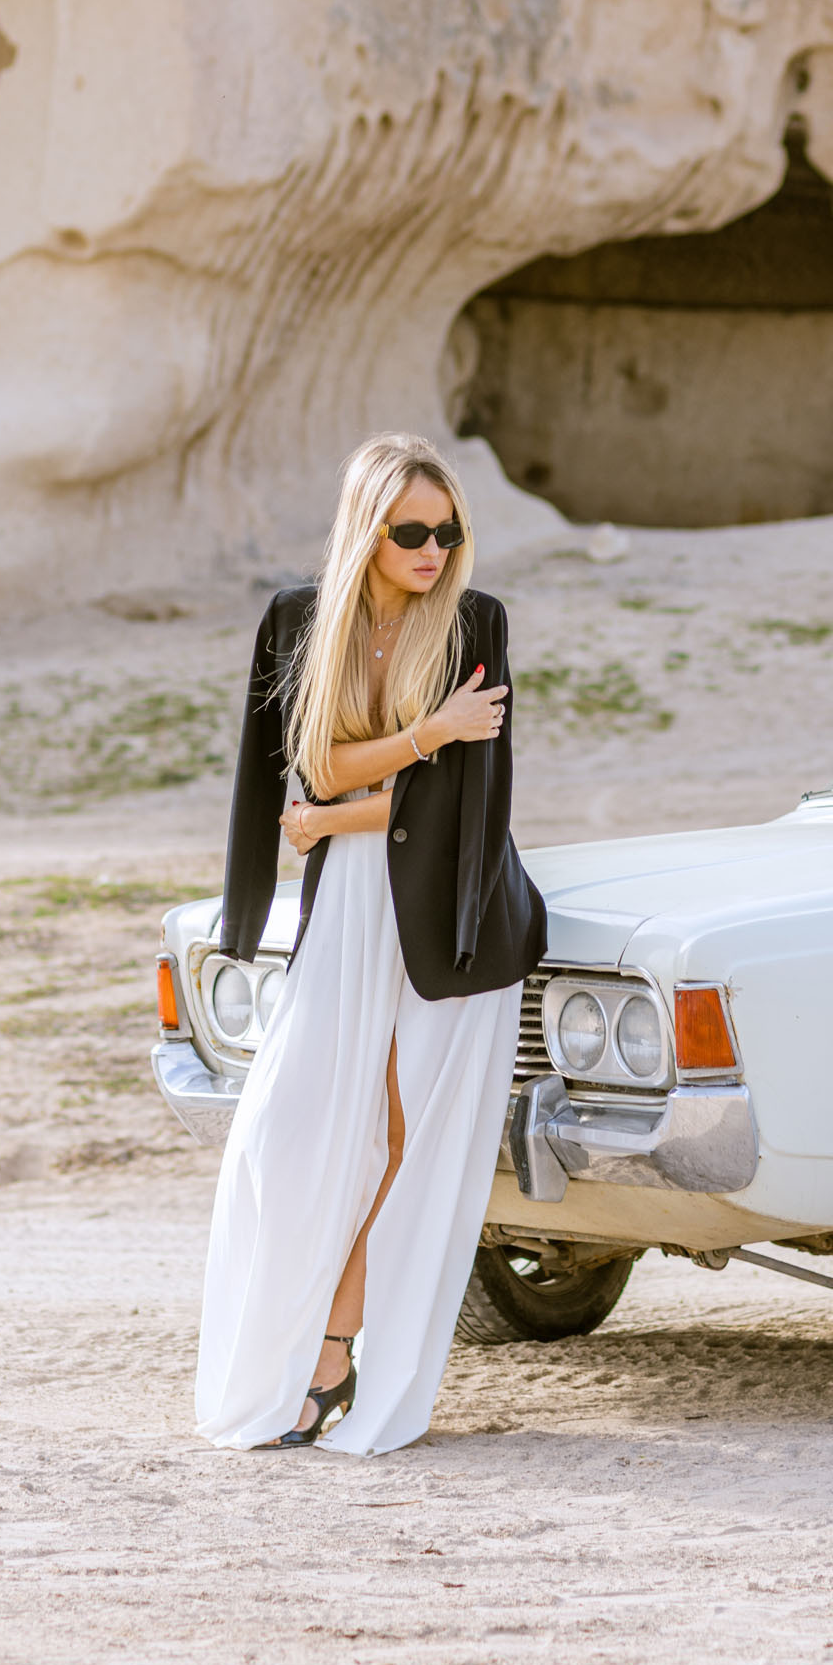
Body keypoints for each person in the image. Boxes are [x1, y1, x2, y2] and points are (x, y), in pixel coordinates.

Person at [194, 432, 547, 1453]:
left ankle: (335, 1355)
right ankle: (292, 1352)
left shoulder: (476, 623)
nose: (434, 552)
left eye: (449, 533)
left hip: (452, 919)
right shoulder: (299, 623)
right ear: (366, 531)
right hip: (349, 908)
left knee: (399, 1144)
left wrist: (332, 812)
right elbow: (310, 765)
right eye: (411, 533)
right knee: (286, 1130)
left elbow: (456, 812)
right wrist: (426, 739)